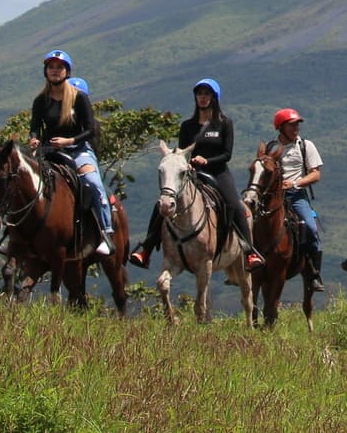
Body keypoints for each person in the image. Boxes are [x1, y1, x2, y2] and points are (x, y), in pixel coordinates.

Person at [130, 79, 265, 270]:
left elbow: (227, 154)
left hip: (218, 172)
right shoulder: (187, 126)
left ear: (214, 98)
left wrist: (207, 161)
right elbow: (183, 153)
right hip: (192, 173)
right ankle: (146, 248)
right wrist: (188, 164)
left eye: (206, 94)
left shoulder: (224, 124)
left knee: (234, 204)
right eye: (199, 94)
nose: (202, 97)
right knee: (163, 202)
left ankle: (249, 251)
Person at [28, 49, 116, 256]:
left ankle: (106, 233)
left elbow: (90, 129)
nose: (55, 71)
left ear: (67, 71)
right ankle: (15, 234)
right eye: (51, 67)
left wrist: (70, 140)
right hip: (48, 151)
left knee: (93, 182)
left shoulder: (79, 98)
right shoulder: (40, 101)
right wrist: (33, 139)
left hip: (78, 150)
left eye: (60, 67)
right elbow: (34, 127)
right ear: (46, 71)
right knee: (21, 180)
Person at [268, 107, 326, 291]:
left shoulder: (305, 145)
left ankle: (314, 273)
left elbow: (315, 175)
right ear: (281, 127)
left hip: (295, 195)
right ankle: (248, 260)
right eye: (291, 125)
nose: (296, 128)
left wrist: (294, 184)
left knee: (310, 226)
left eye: (297, 125)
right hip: (272, 196)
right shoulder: (271, 148)